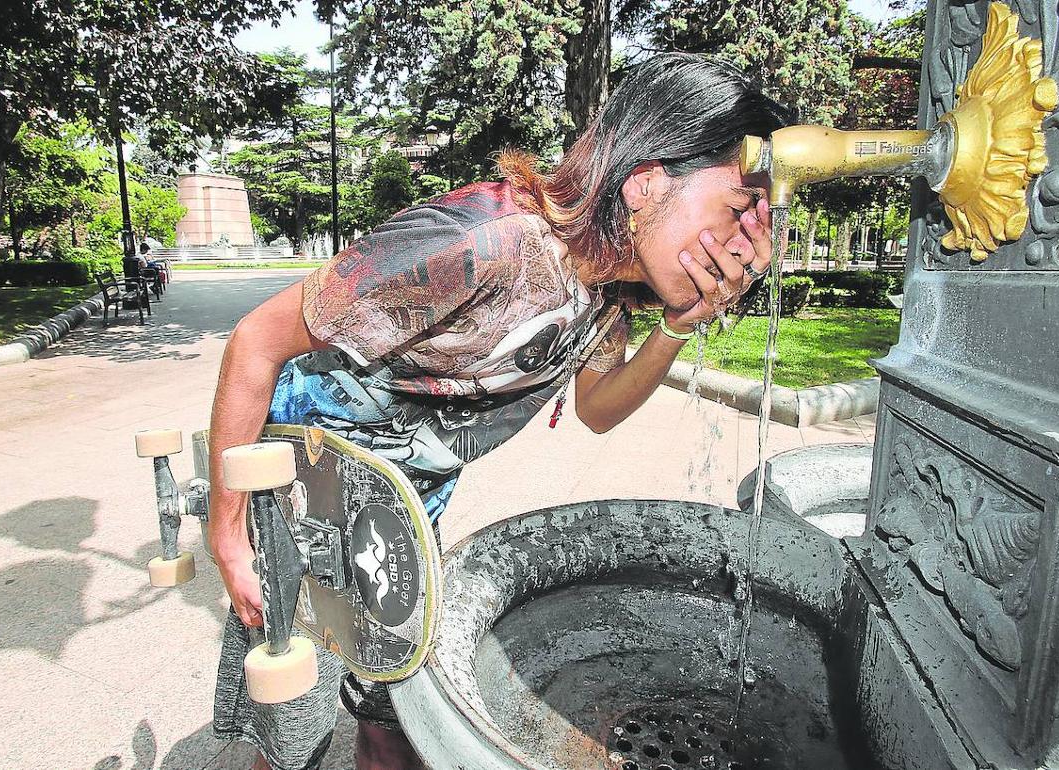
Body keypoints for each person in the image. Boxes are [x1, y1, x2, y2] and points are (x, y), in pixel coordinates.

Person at [208, 52, 792, 770]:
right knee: (295, 724)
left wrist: (680, 323)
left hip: (401, 508)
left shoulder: (607, 289)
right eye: (737, 209)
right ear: (644, 184)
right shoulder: (484, 244)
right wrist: (230, 533)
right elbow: (256, 342)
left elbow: (599, 410)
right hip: (301, 498)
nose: (744, 242)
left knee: (400, 713)